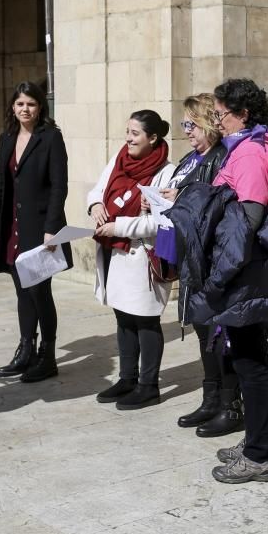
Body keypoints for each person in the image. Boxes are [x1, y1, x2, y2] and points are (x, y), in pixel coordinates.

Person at [167, 78, 268, 484]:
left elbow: (246, 223)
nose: (217, 122)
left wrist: (216, 281)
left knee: (251, 363)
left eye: (221, 115)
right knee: (249, 356)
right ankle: (256, 441)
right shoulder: (256, 145)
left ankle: (258, 455)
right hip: (244, 268)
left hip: (243, 270)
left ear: (243, 114)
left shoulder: (253, 154)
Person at [151, 94, 242, 435]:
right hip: (190, 258)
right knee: (204, 331)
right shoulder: (191, 158)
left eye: (191, 124)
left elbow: (218, 207)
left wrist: (182, 199)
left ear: (207, 123)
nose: (186, 131)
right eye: (183, 124)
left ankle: (231, 406)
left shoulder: (222, 158)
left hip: (211, 260)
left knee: (220, 336)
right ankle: (210, 399)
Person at [0, 81, 72, 383]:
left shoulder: (51, 138)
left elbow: (60, 186)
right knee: (21, 289)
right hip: (12, 226)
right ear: (13, 107)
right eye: (20, 104)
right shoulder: (7, 137)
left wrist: (52, 229)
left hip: (40, 227)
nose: (25, 109)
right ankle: (25, 350)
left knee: (39, 291)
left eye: (31, 104)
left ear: (40, 107)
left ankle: (47, 356)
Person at [88, 110, 175, 410]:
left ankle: (149, 386)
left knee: (146, 320)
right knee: (123, 316)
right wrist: (96, 204)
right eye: (127, 131)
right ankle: (127, 378)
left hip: (142, 254)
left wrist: (120, 226)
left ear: (153, 138)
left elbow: (161, 222)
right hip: (115, 250)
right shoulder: (119, 159)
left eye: (135, 133)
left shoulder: (167, 171)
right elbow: (98, 189)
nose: (128, 138)